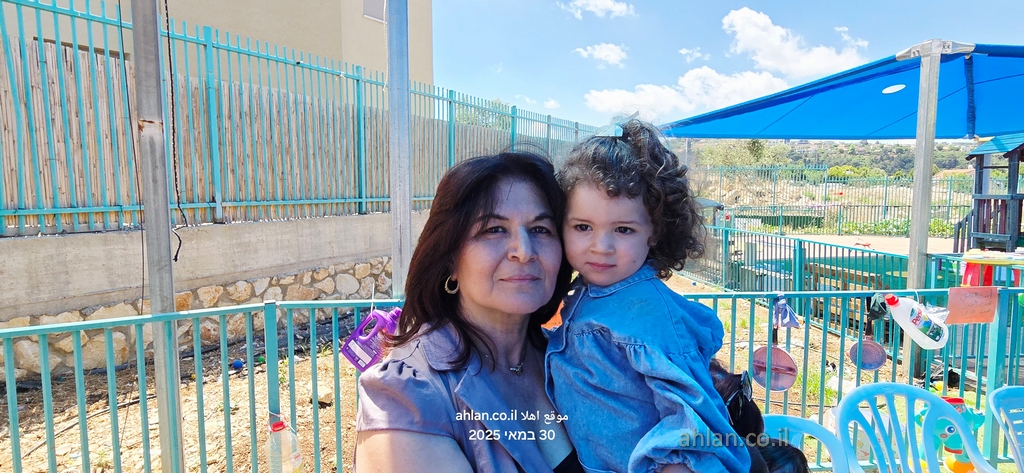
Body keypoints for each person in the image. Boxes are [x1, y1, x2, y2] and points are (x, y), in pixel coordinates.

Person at [544, 118, 756, 473]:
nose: (601, 246)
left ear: (654, 232)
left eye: (623, 229)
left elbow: (691, 425)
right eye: (582, 227)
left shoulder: (649, 318)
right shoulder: (586, 294)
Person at [355, 151, 582, 472]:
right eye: (494, 229)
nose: (524, 251)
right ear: (449, 259)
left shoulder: (569, 357)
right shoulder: (405, 398)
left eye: (541, 229)